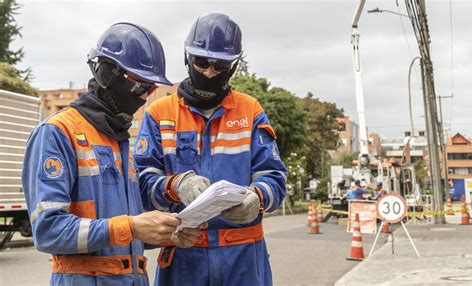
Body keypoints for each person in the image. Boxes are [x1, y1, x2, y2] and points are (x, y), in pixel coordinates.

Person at [22, 23, 203, 286]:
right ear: (107, 74)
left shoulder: (120, 140)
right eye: (140, 86)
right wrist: (131, 227)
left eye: (151, 88)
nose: (146, 96)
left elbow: (125, 234)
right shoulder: (57, 133)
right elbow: (47, 231)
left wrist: (167, 235)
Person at [133, 13, 288, 286]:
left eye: (220, 66)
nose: (209, 72)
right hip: (183, 260)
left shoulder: (250, 111)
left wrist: (258, 197)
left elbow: (274, 177)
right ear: (187, 57)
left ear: (233, 66)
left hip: (244, 261)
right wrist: (175, 185)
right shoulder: (159, 113)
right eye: (201, 63)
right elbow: (142, 183)